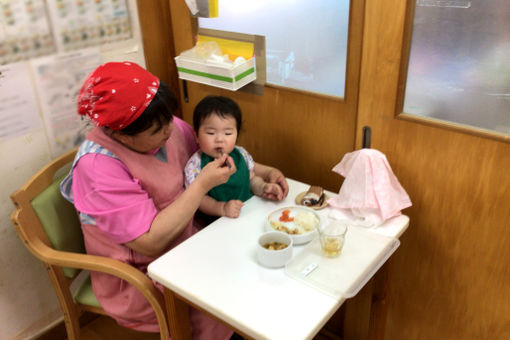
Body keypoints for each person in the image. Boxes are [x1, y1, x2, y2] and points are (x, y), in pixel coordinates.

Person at [59, 62, 288, 339]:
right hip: (142, 273)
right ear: (119, 133)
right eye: (157, 129)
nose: (170, 130)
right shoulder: (98, 166)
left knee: (253, 261)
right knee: (217, 298)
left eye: (169, 118)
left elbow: (215, 157)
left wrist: (266, 173)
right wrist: (201, 185)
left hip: (191, 239)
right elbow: (150, 241)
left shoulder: (169, 126)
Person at [184, 96, 285, 218]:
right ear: (196, 136)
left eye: (228, 133)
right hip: (218, 224)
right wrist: (222, 208)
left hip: (248, 214)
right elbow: (198, 200)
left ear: (237, 134)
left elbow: (251, 179)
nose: (219, 139)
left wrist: (263, 187)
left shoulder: (241, 154)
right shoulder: (195, 165)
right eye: (211, 133)